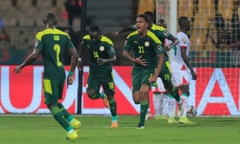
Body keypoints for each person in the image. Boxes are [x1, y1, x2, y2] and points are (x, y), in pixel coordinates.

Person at [14, 12, 81, 140]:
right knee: (55, 101)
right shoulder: (64, 35)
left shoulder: (42, 35)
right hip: (61, 72)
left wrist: (21, 66)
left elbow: (34, 55)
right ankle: (73, 121)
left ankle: (70, 130)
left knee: (50, 104)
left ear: (45, 22)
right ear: (56, 22)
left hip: (50, 74)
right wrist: (71, 73)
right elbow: (75, 55)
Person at [123, 14, 165, 129]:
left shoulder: (153, 38)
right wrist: (134, 59)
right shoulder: (131, 37)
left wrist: (156, 75)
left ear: (146, 24)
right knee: (137, 99)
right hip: (137, 70)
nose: (138, 24)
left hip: (149, 69)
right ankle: (146, 106)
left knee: (143, 92)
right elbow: (125, 52)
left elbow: (161, 56)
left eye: (141, 22)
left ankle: (141, 123)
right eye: (137, 22)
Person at [144, 11, 181, 123]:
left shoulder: (159, 31)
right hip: (149, 63)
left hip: (162, 62)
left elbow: (176, 40)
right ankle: (153, 113)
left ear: (150, 21)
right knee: (150, 88)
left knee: (168, 87)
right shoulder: (140, 31)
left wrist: (169, 47)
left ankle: (172, 112)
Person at [78, 25, 118, 128]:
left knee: (111, 96)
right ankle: (101, 96)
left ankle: (114, 121)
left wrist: (104, 60)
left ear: (100, 34)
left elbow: (114, 57)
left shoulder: (107, 42)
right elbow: (82, 46)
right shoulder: (87, 39)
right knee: (90, 94)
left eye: (95, 37)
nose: (93, 39)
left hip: (106, 73)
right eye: (92, 37)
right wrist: (79, 59)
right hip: (94, 72)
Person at [167, 16, 197, 124]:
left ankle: (170, 117)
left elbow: (170, 48)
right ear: (184, 24)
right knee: (185, 90)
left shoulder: (176, 36)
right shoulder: (183, 37)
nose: (190, 25)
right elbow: (184, 54)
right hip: (181, 67)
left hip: (174, 65)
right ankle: (183, 116)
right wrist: (192, 70)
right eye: (188, 22)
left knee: (173, 91)